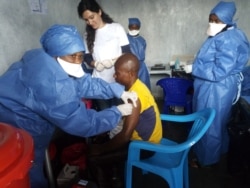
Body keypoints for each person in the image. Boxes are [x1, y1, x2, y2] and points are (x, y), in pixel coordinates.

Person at [0, 24, 139, 188]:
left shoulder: (43, 58)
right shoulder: (51, 82)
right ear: (55, 55)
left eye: (80, 56)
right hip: (16, 126)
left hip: (14, 112)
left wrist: (117, 91)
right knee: (25, 174)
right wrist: (116, 112)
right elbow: (81, 122)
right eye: (73, 56)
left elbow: (84, 84)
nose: (77, 61)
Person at [87, 53, 163, 188]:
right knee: (105, 142)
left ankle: (109, 183)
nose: (114, 76)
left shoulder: (135, 96)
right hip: (145, 141)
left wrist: (100, 149)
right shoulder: (138, 86)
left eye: (117, 73)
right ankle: (117, 175)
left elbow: (125, 136)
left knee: (94, 158)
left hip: (144, 147)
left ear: (130, 73)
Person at [190, 1, 250, 167]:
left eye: (216, 20)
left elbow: (219, 72)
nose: (212, 23)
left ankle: (205, 160)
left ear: (227, 20)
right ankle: (219, 151)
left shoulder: (228, 39)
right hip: (218, 87)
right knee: (219, 122)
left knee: (209, 125)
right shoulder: (226, 34)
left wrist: (194, 68)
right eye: (211, 19)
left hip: (216, 88)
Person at [77, 0, 131, 111]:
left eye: (92, 17)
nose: (90, 22)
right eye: (86, 20)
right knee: (105, 114)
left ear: (99, 12)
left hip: (118, 81)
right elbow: (87, 57)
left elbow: (127, 53)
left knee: (121, 114)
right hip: (99, 83)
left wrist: (113, 61)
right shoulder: (87, 34)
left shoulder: (116, 28)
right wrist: (95, 63)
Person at [127, 17, 151, 90]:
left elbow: (141, 54)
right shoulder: (124, 39)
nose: (134, 30)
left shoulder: (142, 40)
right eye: (132, 27)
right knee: (130, 88)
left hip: (141, 67)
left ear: (139, 28)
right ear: (128, 27)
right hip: (129, 66)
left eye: (136, 28)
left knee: (143, 88)